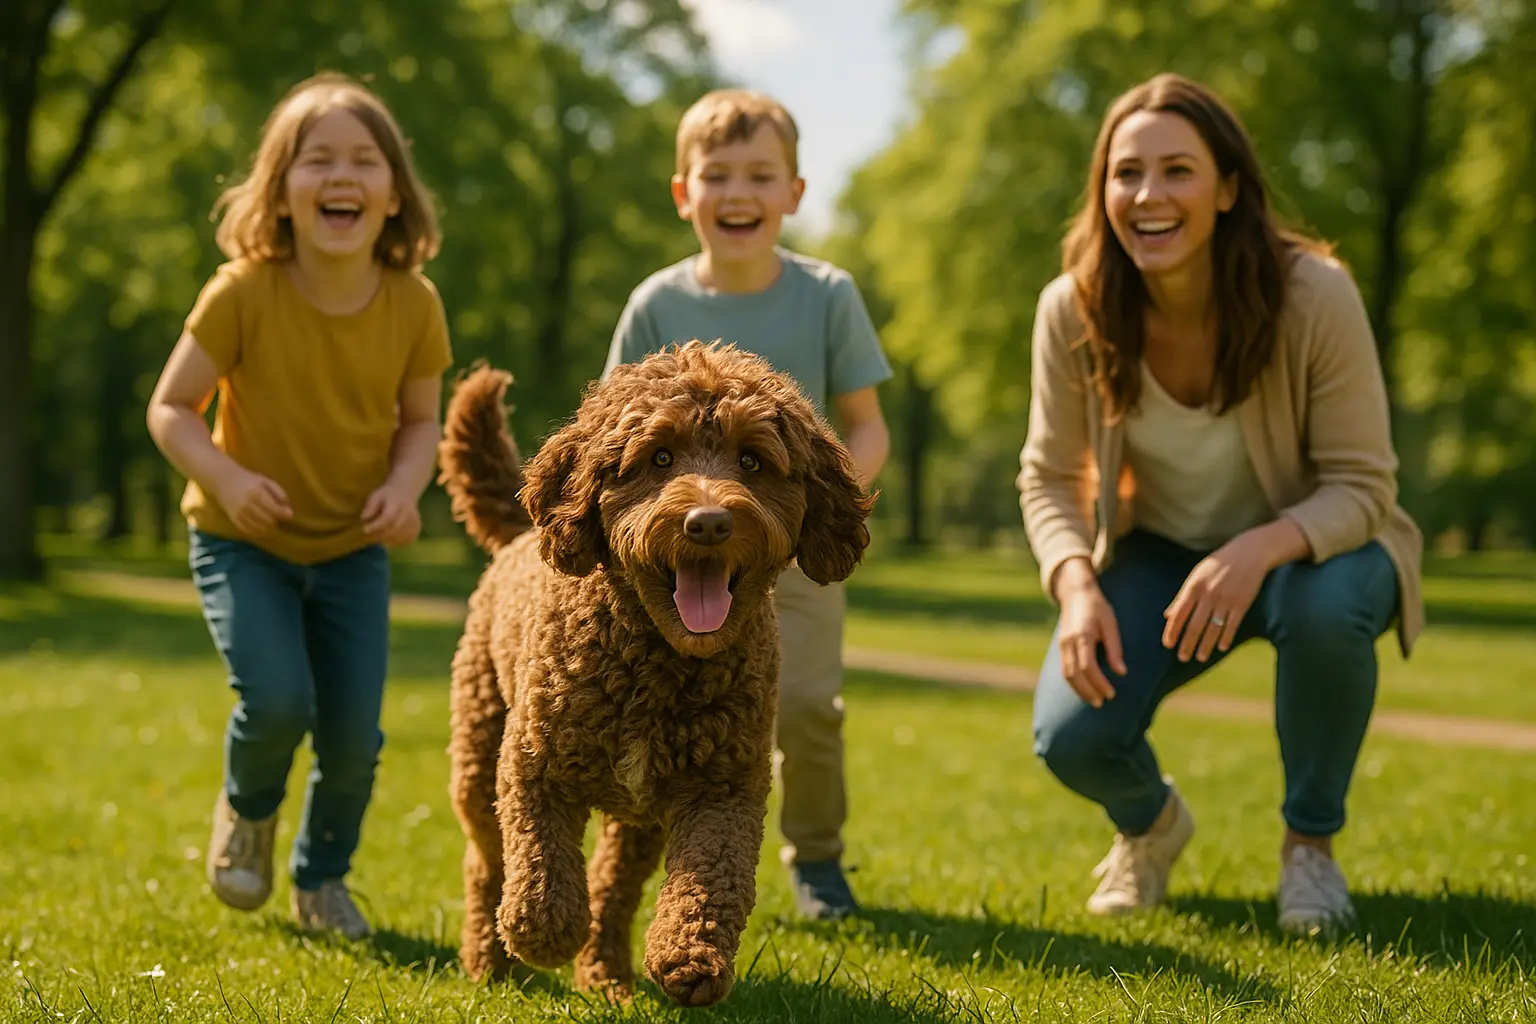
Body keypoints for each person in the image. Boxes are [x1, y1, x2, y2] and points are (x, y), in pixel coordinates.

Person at [1017, 73, 1423, 935]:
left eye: (1178, 171)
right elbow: (1050, 476)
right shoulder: (1073, 311)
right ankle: (1151, 827)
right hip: (1160, 554)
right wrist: (1076, 583)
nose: (1149, 196)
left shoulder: (1314, 294)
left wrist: (1259, 550)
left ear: (1228, 188)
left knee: (1325, 603)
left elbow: (1364, 485)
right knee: (1073, 735)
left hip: (1312, 552)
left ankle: (1309, 851)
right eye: (1127, 174)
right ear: (1104, 191)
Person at [145, 73, 453, 940]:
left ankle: (320, 881)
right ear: (280, 188)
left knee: (353, 740)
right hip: (244, 541)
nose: (341, 176)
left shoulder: (413, 305)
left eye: (364, 160)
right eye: (317, 160)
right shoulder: (243, 290)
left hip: (353, 549)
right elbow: (169, 408)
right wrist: (230, 480)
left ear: (395, 193)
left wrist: (403, 487)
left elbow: (421, 421)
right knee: (278, 702)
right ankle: (248, 813)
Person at [602, 88, 893, 920]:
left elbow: (865, 428)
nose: (739, 193)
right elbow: (613, 433)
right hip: (676, 550)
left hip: (783, 554)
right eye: (717, 175)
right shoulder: (654, 303)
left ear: (794, 193)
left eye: (761, 175)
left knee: (804, 709)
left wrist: (823, 513)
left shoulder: (829, 294)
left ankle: (819, 859)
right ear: (683, 193)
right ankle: (673, 862)